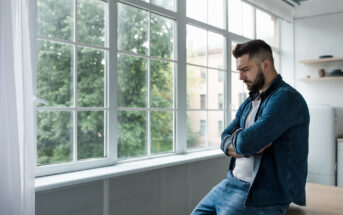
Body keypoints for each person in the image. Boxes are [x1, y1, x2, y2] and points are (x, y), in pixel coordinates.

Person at [191, 39, 310, 215]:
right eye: (239, 71)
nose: (240, 77)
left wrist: (239, 142)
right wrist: (238, 143)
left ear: (266, 65)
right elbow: (225, 136)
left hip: (263, 194)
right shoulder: (250, 101)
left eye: (245, 70)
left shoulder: (286, 98)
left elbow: (246, 143)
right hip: (231, 182)